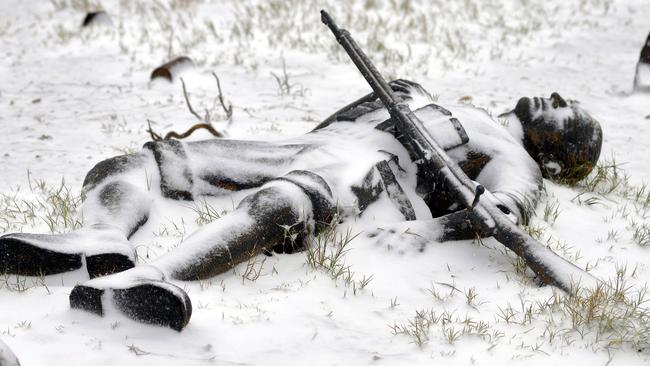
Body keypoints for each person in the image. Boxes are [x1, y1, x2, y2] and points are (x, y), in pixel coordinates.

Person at [0, 80, 602, 331]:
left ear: (557, 159)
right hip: (317, 144)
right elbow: (342, 116)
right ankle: (99, 240)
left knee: (283, 201)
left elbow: (504, 210)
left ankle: (146, 281)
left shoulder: (515, 158)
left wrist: (434, 233)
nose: (551, 97)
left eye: (566, 111)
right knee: (149, 161)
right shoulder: (438, 95)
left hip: (371, 174)